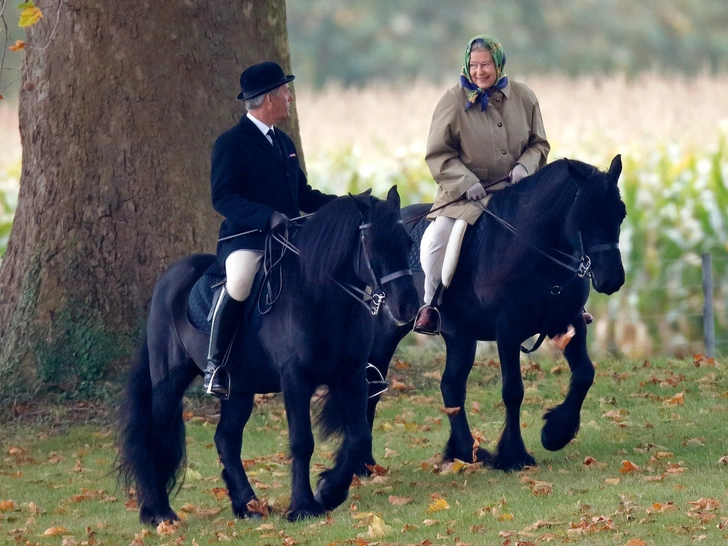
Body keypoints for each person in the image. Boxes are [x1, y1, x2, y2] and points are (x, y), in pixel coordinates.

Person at [205, 61, 336, 398]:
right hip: (247, 240)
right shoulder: (231, 143)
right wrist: (266, 217)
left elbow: (303, 195)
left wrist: (343, 206)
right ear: (267, 100)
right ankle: (215, 364)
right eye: (285, 92)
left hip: (289, 240)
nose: (290, 97)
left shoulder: (284, 142)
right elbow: (223, 197)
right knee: (239, 281)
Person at [413, 34, 550, 335]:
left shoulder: (525, 97)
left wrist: (525, 167)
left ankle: (569, 306)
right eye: (474, 65)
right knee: (437, 240)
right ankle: (430, 304)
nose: (479, 72)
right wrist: (466, 182)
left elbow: (539, 144)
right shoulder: (452, 101)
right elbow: (438, 154)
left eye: (485, 64)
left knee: (557, 229)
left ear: (498, 63)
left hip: (517, 194)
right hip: (464, 199)